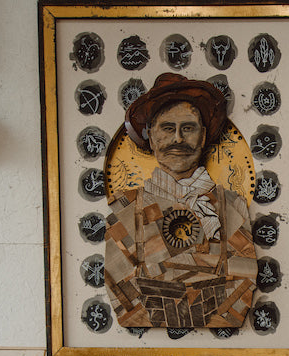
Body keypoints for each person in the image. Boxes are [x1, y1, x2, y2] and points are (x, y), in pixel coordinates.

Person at [104, 73, 257, 329]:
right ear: (151, 137)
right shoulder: (125, 208)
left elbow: (241, 293)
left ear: (203, 136)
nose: (178, 139)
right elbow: (122, 299)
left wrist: (162, 297)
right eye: (167, 128)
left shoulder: (232, 205)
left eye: (188, 128)